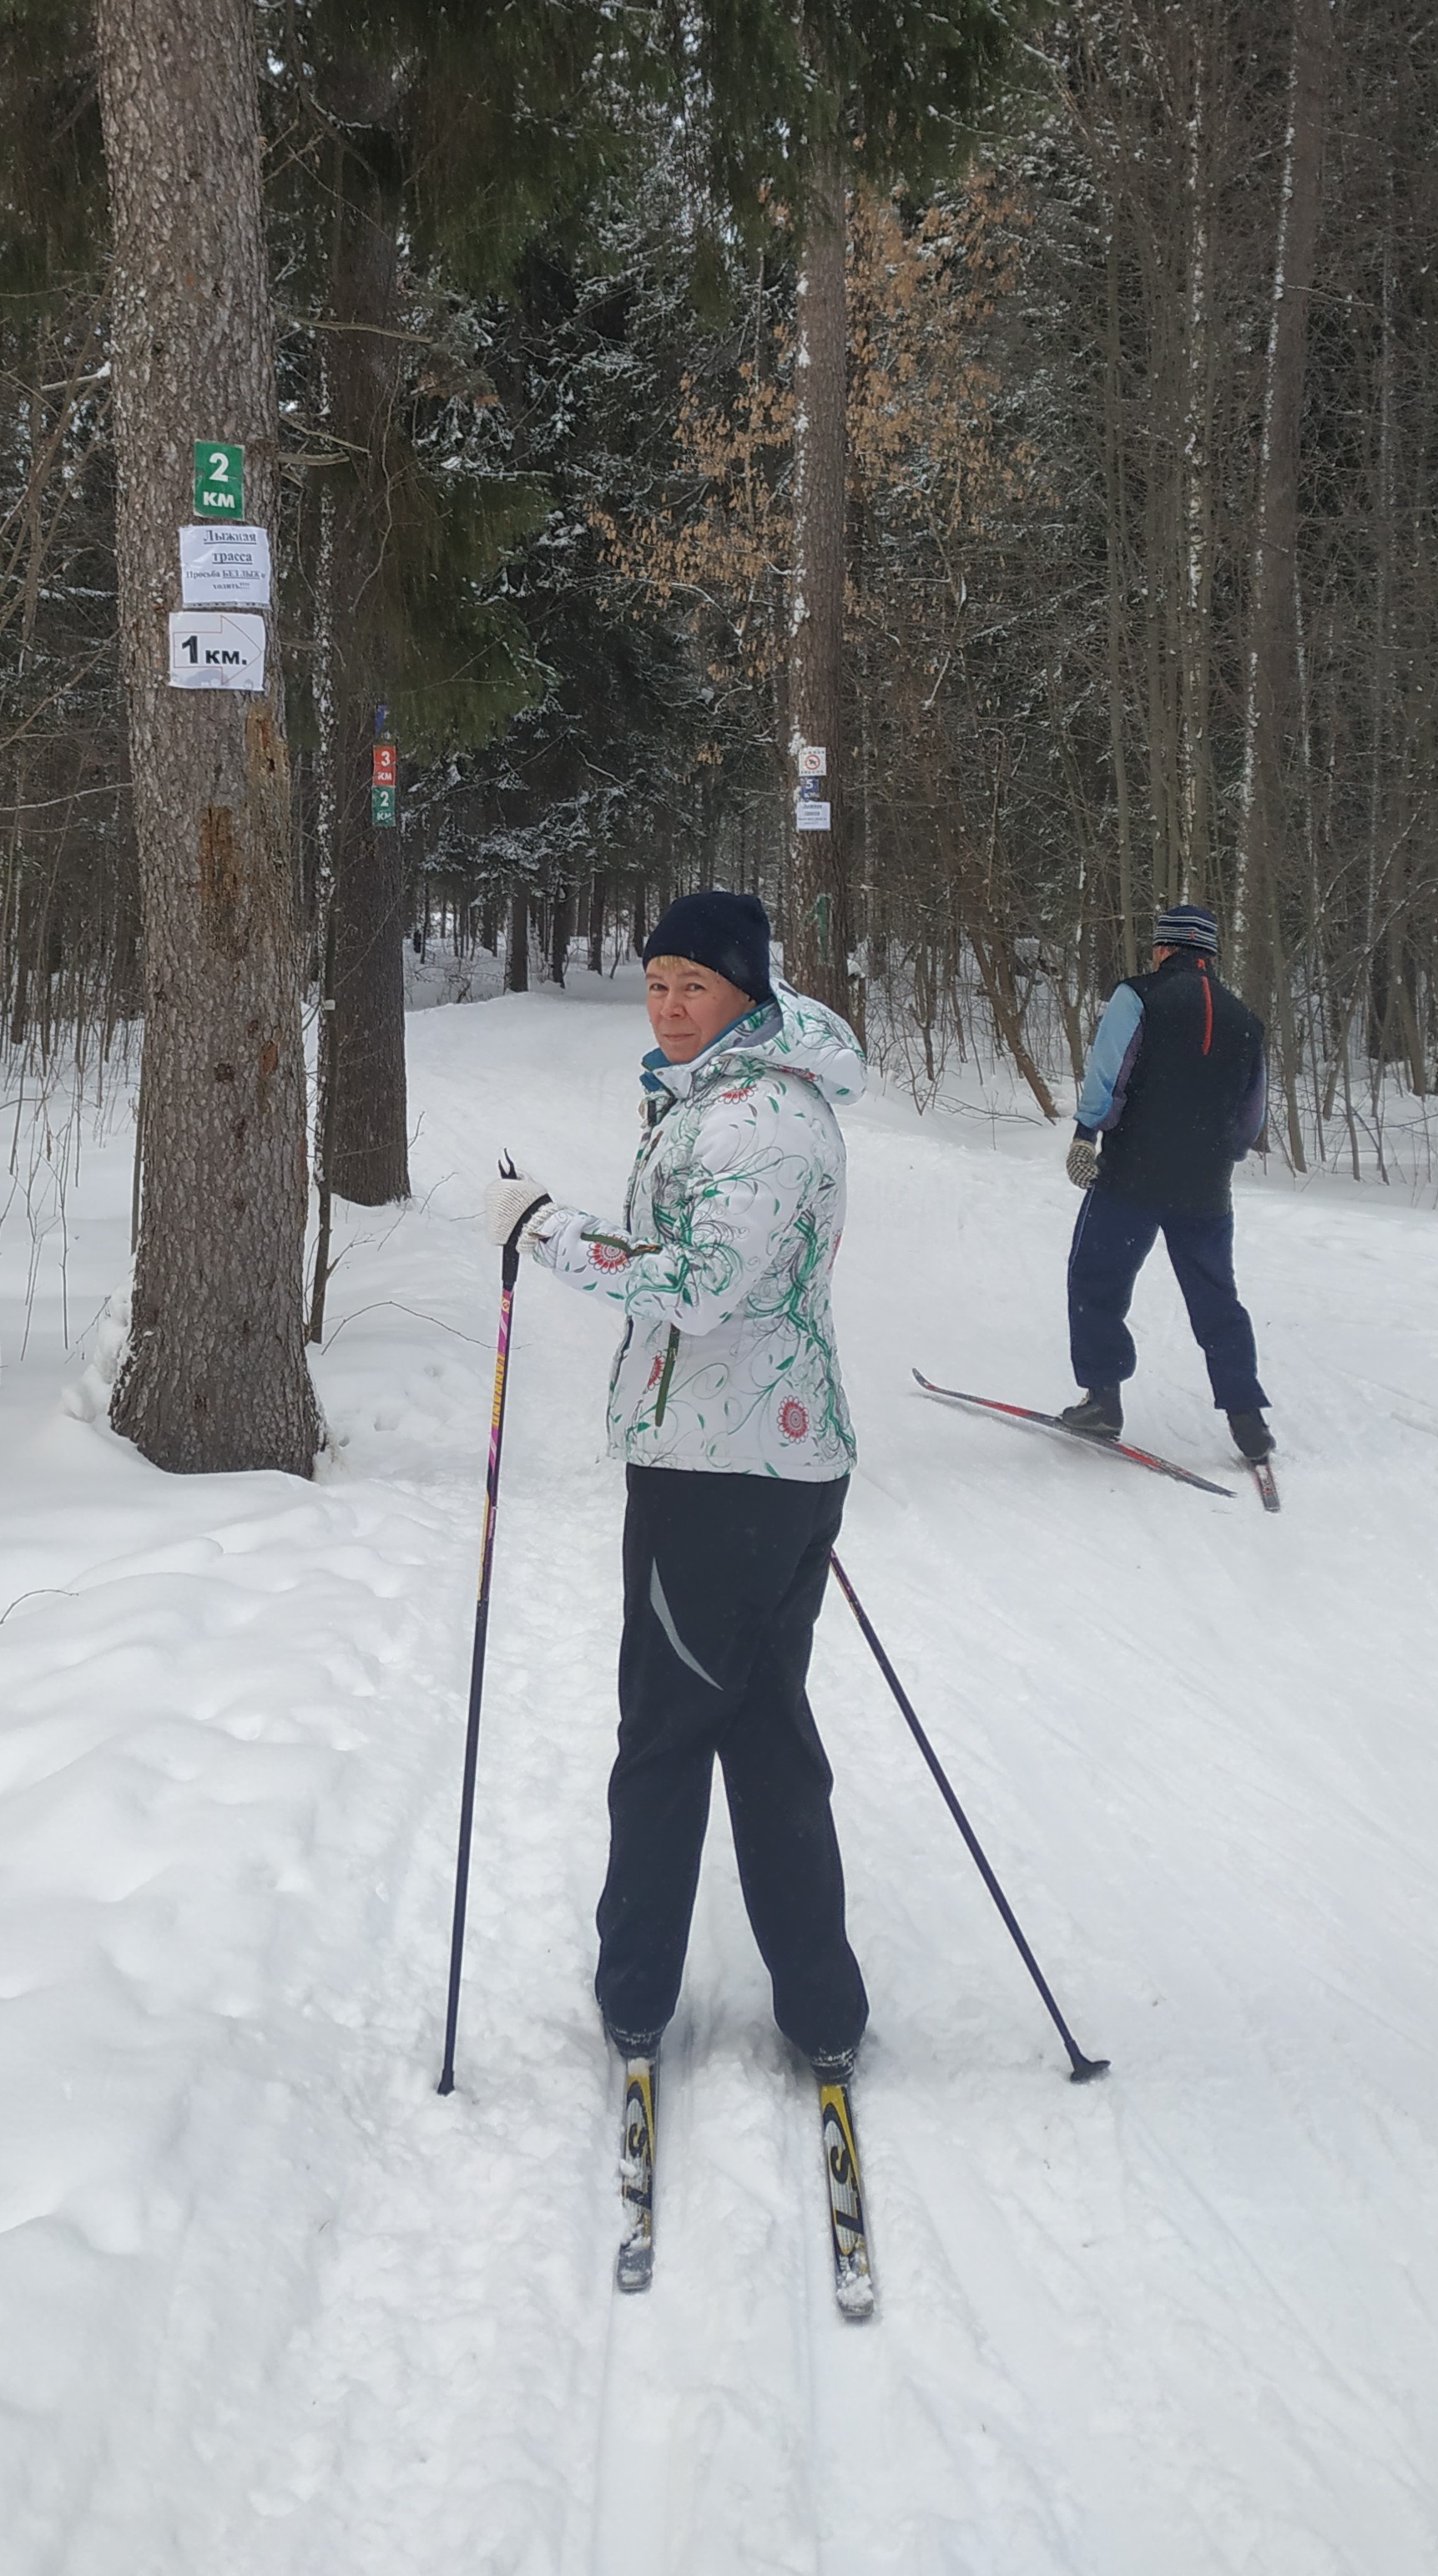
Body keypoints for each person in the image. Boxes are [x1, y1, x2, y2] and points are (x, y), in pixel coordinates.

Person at [485, 887, 871, 2078]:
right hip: (761, 1457)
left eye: (692, 985)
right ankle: (818, 2007)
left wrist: (544, 1231)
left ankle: (640, 1991)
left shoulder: (755, 1120)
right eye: (656, 984)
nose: (668, 1006)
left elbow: (699, 1286)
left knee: (665, 1738)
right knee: (762, 1732)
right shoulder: (730, 1098)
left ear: (746, 988)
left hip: (716, 1470)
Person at [1059, 902, 1274, 1464]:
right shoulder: (1247, 1021)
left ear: (1164, 949)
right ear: (1209, 955)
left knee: (1095, 1279)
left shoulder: (1138, 996)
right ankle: (1247, 1420)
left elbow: (1110, 1071)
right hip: (1206, 1189)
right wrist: (1217, 1155)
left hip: (1131, 1175)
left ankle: (1103, 1399)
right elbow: (1252, 1118)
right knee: (1216, 1300)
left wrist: (1086, 1135)